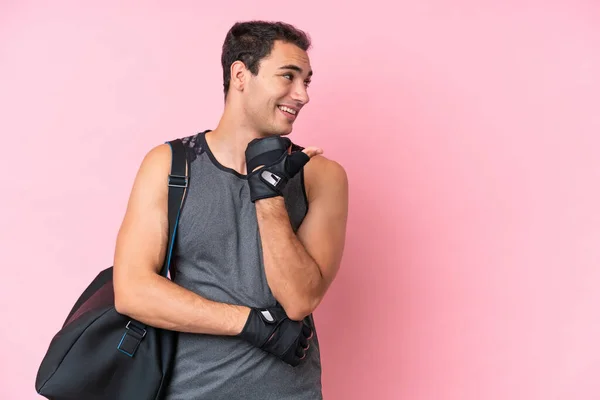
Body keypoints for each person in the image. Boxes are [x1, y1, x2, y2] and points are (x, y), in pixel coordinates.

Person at [113, 20, 348, 399]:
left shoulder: (321, 176)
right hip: (190, 391)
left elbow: (300, 299)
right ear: (241, 74)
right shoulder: (171, 165)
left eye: (306, 81)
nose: (302, 95)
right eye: (288, 76)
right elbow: (132, 290)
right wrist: (251, 324)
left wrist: (267, 191)